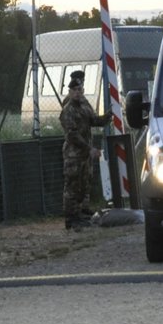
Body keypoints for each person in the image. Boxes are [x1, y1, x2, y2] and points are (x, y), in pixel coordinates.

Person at [59, 70, 108, 229]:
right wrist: (89, 148)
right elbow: (72, 134)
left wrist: (107, 117)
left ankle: (80, 212)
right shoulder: (69, 108)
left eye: (80, 89)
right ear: (71, 90)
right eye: (75, 89)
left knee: (83, 183)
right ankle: (71, 218)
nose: (78, 92)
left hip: (84, 153)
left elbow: (92, 120)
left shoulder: (83, 104)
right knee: (72, 186)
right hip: (74, 154)